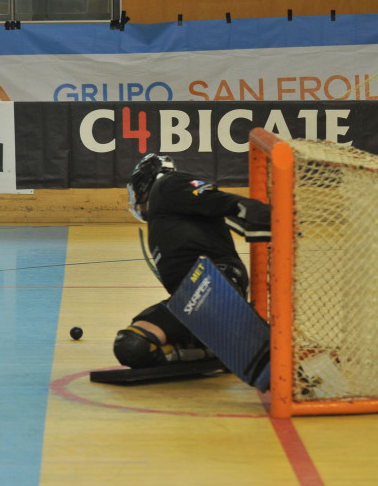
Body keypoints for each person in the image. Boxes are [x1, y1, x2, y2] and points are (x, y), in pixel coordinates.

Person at [113, 153, 270, 370]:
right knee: (131, 346)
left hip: (215, 281)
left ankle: (248, 347)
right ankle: (216, 349)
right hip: (190, 299)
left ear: (146, 182)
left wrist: (248, 209)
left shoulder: (167, 184)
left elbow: (211, 196)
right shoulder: (164, 214)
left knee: (134, 345)